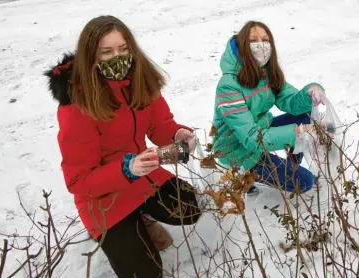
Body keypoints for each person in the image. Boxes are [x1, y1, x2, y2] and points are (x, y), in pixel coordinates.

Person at [44, 15, 201, 278]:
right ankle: (123, 231)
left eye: (123, 49)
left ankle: (143, 217)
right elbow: (79, 180)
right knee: (147, 274)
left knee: (189, 207)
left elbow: (159, 124)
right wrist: (126, 170)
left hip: (143, 175)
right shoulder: (77, 104)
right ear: (90, 56)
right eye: (106, 52)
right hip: (102, 199)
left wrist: (176, 133)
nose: (118, 58)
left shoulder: (140, 80)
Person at [211, 21, 327, 195]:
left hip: (260, 129)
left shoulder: (266, 73)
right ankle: (243, 176)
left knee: (305, 114)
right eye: (254, 40)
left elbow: (292, 102)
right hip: (237, 150)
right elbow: (251, 138)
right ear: (243, 45)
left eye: (265, 40)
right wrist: (298, 132)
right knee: (304, 182)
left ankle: (290, 164)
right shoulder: (228, 86)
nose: (261, 45)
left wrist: (310, 92)